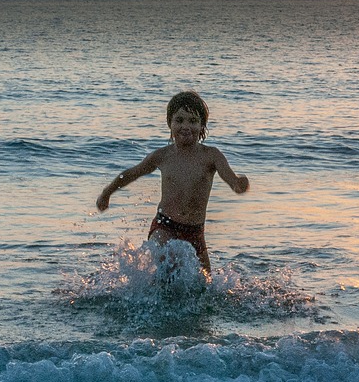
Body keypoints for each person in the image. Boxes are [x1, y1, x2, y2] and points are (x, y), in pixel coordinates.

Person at [96, 91, 249, 272]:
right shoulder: (163, 156)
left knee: (204, 285)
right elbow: (132, 173)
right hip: (165, 225)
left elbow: (230, 177)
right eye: (179, 120)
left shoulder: (211, 156)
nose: (186, 126)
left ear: (202, 126)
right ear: (170, 123)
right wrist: (107, 192)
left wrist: (238, 184)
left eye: (193, 121)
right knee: (162, 259)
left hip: (195, 232)